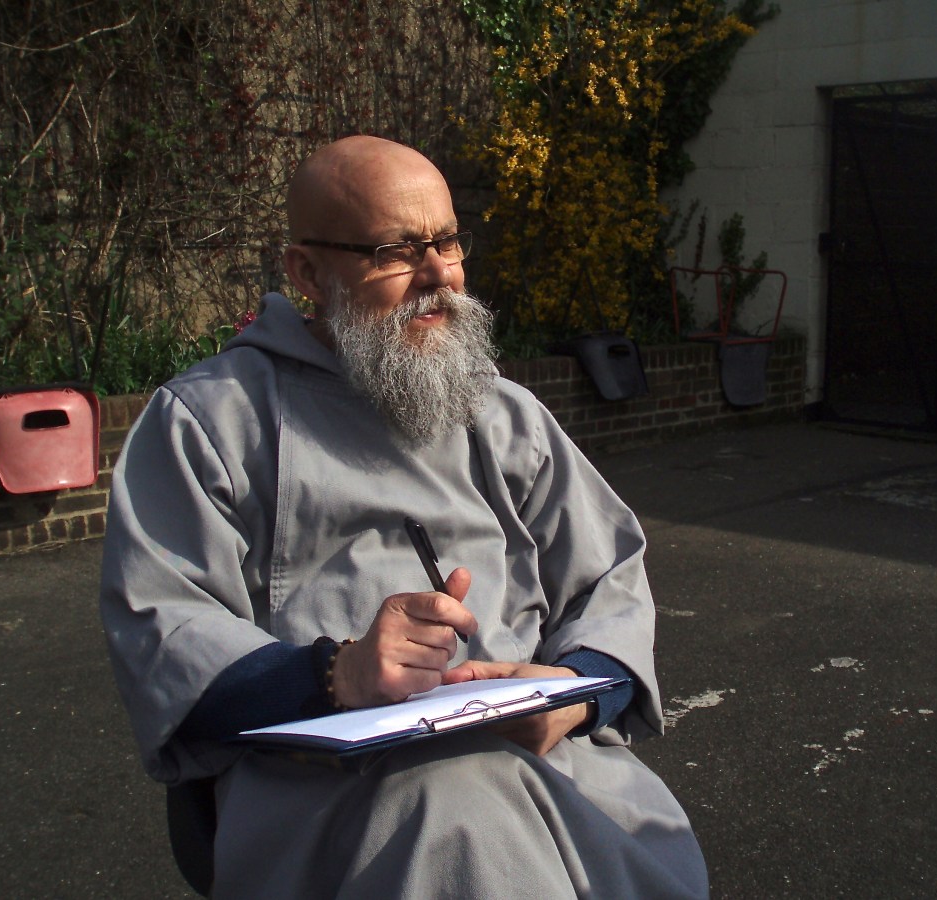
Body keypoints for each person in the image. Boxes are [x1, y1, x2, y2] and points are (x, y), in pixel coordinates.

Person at [99, 135, 709, 899]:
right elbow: (164, 628)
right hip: (332, 792)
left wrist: (576, 691)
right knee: (457, 820)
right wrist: (337, 673)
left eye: (447, 242)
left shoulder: (505, 414)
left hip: (553, 766)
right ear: (307, 273)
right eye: (396, 251)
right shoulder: (209, 422)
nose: (439, 275)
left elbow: (608, 578)